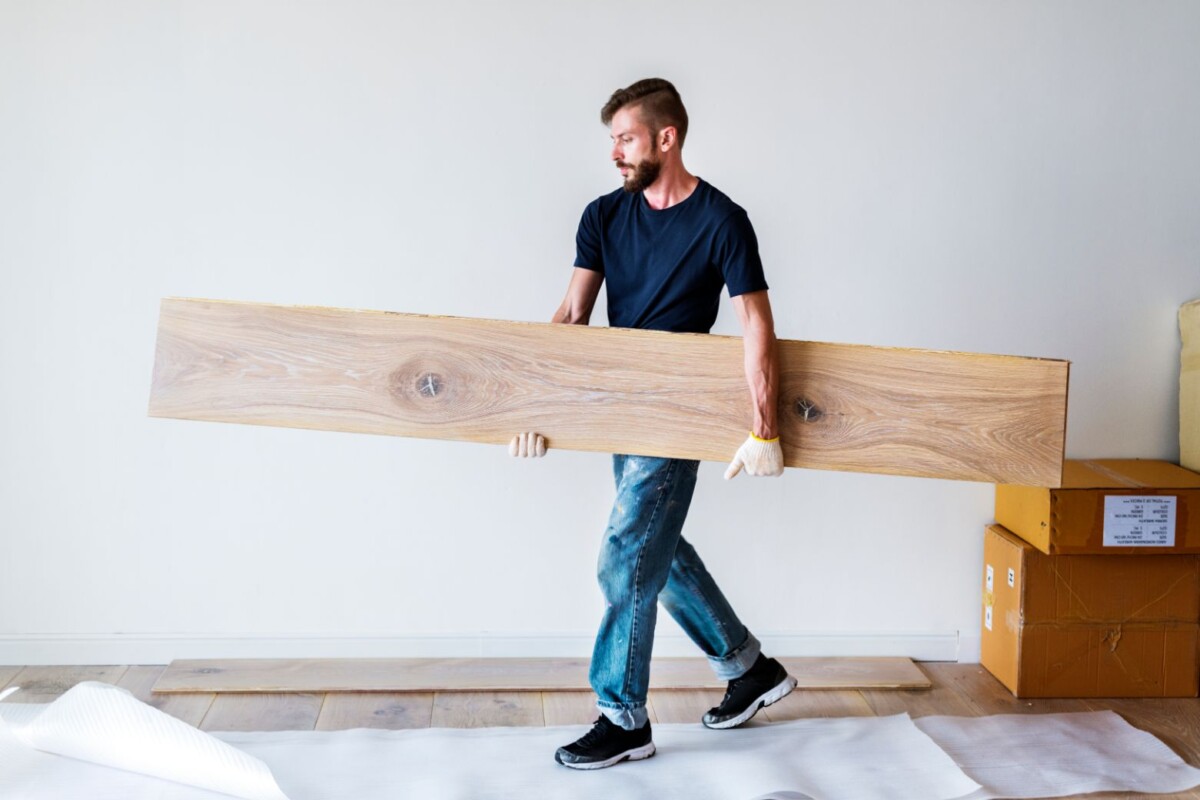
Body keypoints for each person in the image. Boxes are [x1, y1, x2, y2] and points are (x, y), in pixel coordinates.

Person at [510, 78, 795, 770]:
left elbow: (755, 323)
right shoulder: (603, 217)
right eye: (612, 140)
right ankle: (748, 667)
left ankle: (622, 715)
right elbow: (572, 318)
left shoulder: (722, 220)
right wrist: (531, 409)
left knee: (624, 556)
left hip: (681, 408)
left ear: (667, 139)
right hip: (621, 404)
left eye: (627, 138)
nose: (615, 152)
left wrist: (765, 428)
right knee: (654, 555)